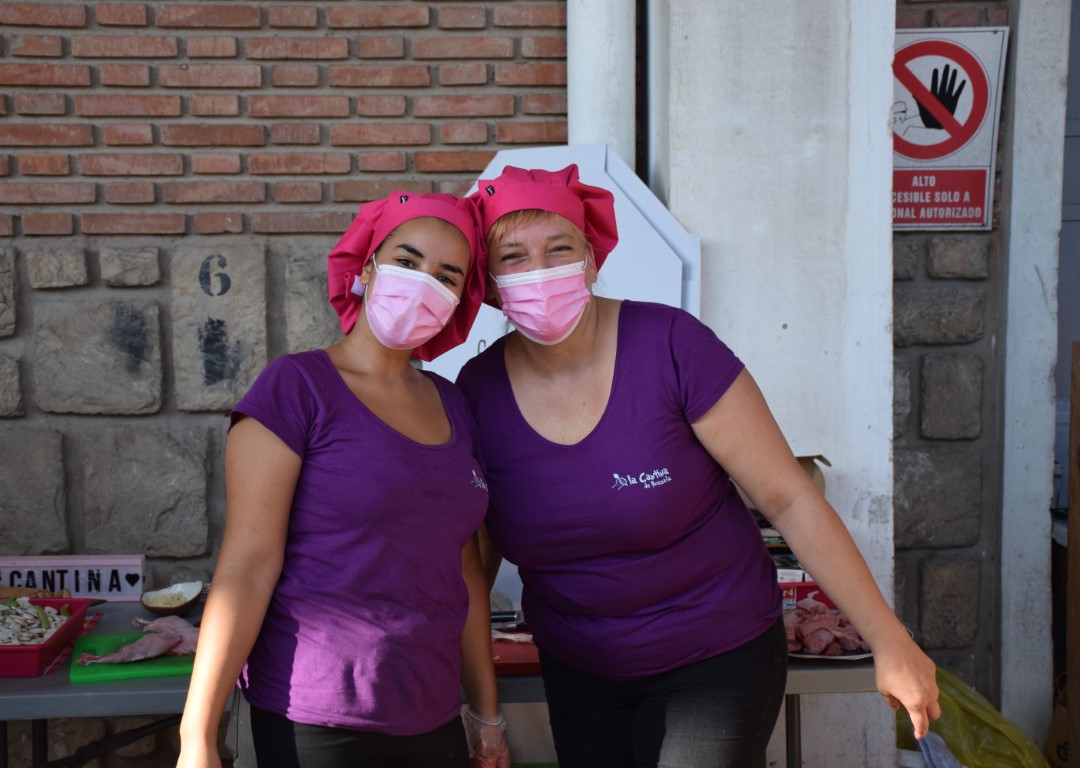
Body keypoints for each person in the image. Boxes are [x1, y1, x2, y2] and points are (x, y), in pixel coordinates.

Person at [455, 165, 941, 768]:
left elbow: (788, 498)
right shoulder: (477, 392)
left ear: (592, 259)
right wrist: (477, 706)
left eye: (560, 249)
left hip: (714, 654)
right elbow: (474, 559)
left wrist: (889, 640)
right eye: (514, 257)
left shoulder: (671, 346)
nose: (540, 271)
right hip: (579, 669)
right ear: (489, 283)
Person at [177, 191, 511, 768]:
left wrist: (486, 714)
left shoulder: (455, 405)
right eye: (407, 261)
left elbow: (464, 572)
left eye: (446, 276)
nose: (424, 284)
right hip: (311, 717)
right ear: (367, 268)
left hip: (432, 714)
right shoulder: (297, 388)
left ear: (460, 300)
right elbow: (247, 566)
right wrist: (198, 737)